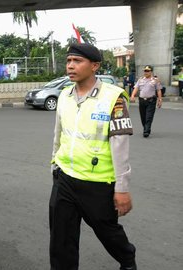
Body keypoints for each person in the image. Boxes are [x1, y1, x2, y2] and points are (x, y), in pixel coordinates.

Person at [50, 43, 137, 270]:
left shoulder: (114, 98)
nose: (70, 66)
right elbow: (58, 135)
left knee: (107, 232)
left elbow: (120, 145)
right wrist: (54, 163)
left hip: (97, 183)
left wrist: (122, 188)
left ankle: (127, 258)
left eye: (77, 61)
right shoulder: (64, 95)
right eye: (69, 61)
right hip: (65, 178)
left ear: (94, 66)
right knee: (61, 239)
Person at [130, 65, 162, 138]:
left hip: (151, 100)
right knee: (143, 117)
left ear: (151, 72)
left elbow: (158, 90)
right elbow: (136, 88)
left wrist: (160, 100)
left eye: (148, 71)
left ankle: (146, 131)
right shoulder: (140, 80)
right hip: (142, 100)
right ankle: (146, 128)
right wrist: (132, 95)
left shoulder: (155, 80)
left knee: (149, 116)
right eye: (145, 71)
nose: (146, 72)